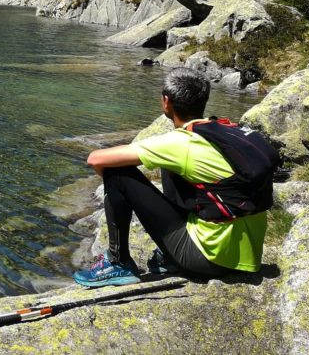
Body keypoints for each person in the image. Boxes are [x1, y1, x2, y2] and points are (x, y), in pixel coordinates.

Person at [72, 67, 269, 287]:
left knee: (117, 173)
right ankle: (166, 258)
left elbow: (95, 159)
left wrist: (113, 187)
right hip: (247, 255)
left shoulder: (180, 143)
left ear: (166, 102)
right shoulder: (224, 132)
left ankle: (118, 263)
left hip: (209, 259)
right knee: (172, 166)